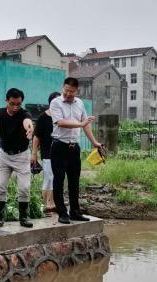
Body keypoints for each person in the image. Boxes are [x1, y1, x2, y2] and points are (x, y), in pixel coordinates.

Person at [0, 88, 34, 228]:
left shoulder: (24, 113)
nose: (15, 107)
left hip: (21, 155)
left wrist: (30, 128)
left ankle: (24, 217)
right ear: (6, 101)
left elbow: (27, 121)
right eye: (12, 103)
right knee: (0, 186)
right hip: (4, 155)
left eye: (18, 104)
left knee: (24, 188)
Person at [50, 77, 102, 224]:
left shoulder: (80, 103)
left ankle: (75, 211)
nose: (68, 94)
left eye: (71, 92)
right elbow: (60, 122)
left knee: (74, 181)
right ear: (63, 88)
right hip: (59, 146)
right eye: (66, 90)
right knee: (58, 180)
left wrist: (94, 142)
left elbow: (86, 125)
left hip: (74, 148)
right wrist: (80, 124)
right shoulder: (55, 102)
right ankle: (62, 213)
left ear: (76, 91)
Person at [31, 92, 60, 213]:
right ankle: (46, 203)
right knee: (49, 177)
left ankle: (53, 202)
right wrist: (34, 153)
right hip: (47, 151)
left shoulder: (61, 117)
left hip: (60, 151)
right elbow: (36, 137)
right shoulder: (43, 117)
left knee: (57, 178)